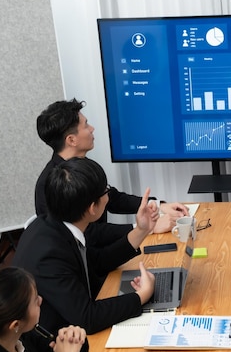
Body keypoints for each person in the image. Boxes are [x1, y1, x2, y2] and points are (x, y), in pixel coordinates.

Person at [13, 156, 157, 335]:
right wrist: (142, 295)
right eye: (106, 191)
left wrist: (141, 230)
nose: (108, 195)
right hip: (58, 342)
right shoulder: (49, 254)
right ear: (92, 208)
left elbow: (97, 262)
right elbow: (88, 318)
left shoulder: (52, 224)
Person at [35, 98, 189, 233]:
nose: (92, 129)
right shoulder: (51, 186)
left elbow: (112, 198)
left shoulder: (84, 165)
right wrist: (145, 228)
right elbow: (89, 234)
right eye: (86, 125)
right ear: (71, 140)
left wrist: (158, 205)